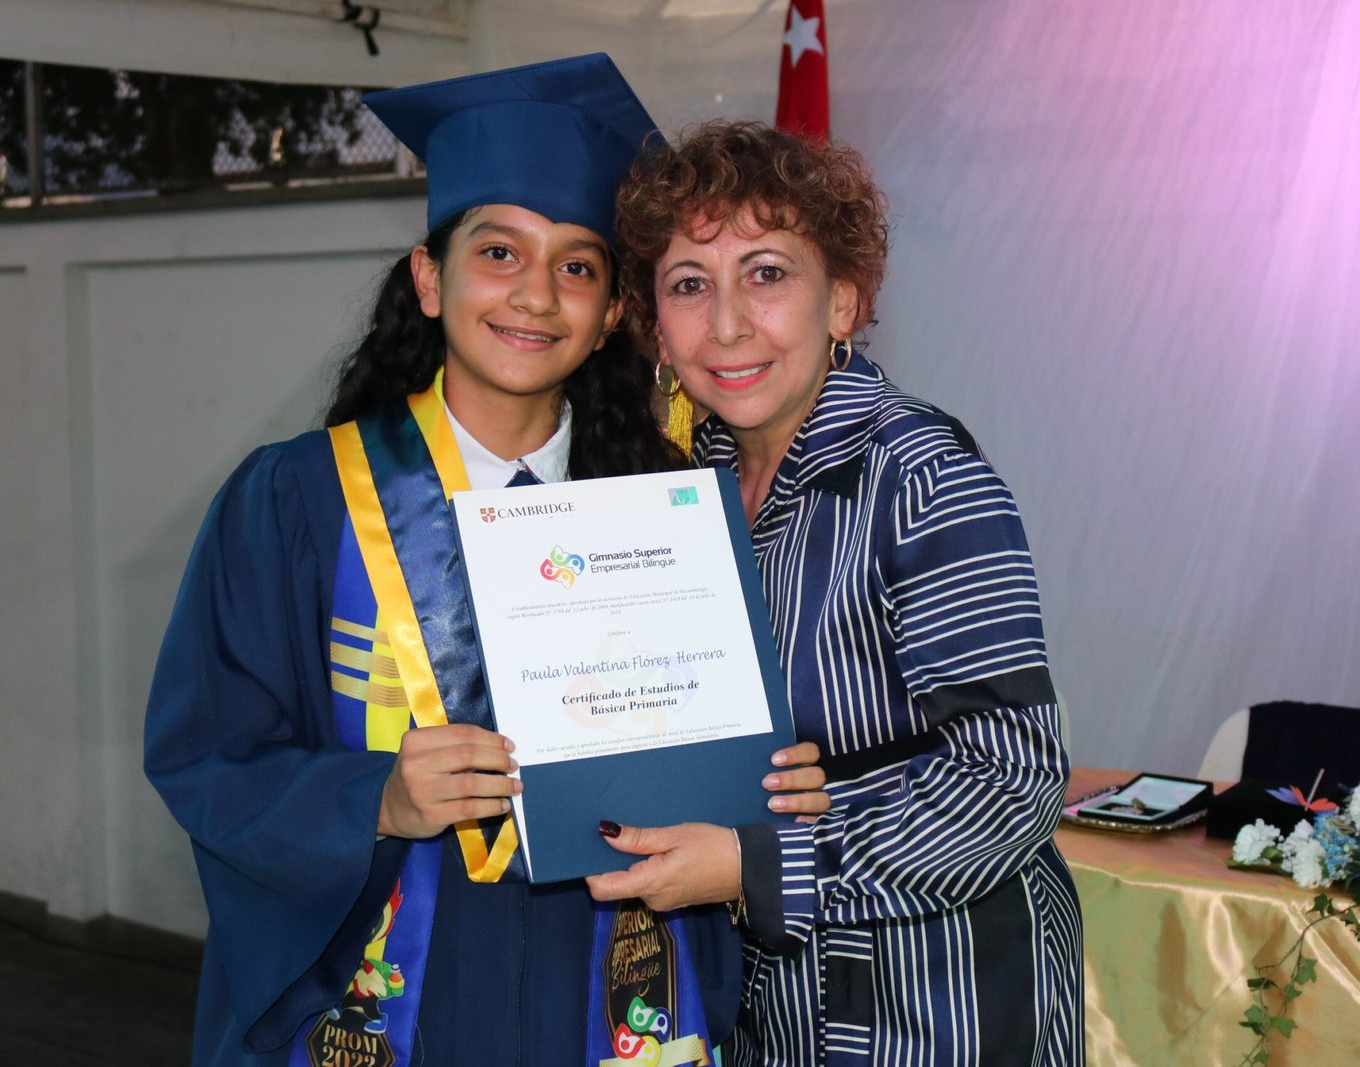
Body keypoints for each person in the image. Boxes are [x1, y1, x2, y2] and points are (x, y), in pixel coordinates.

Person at [143, 60, 827, 1067]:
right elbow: (207, 757)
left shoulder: (667, 518)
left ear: (611, 314)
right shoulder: (299, 502)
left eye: (578, 267)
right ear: (430, 278)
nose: (536, 295)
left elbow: (721, 780)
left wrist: (769, 786)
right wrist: (373, 798)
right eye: (499, 251)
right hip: (397, 995)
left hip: (605, 989)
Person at [592, 120, 1084, 1065]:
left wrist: (758, 861)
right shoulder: (684, 495)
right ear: (655, 321)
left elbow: (1012, 775)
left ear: (844, 301)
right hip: (770, 1007)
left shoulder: (920, 477)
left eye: (767, 274)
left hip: (938, 1003)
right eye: (689, 284)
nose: (726, 324)